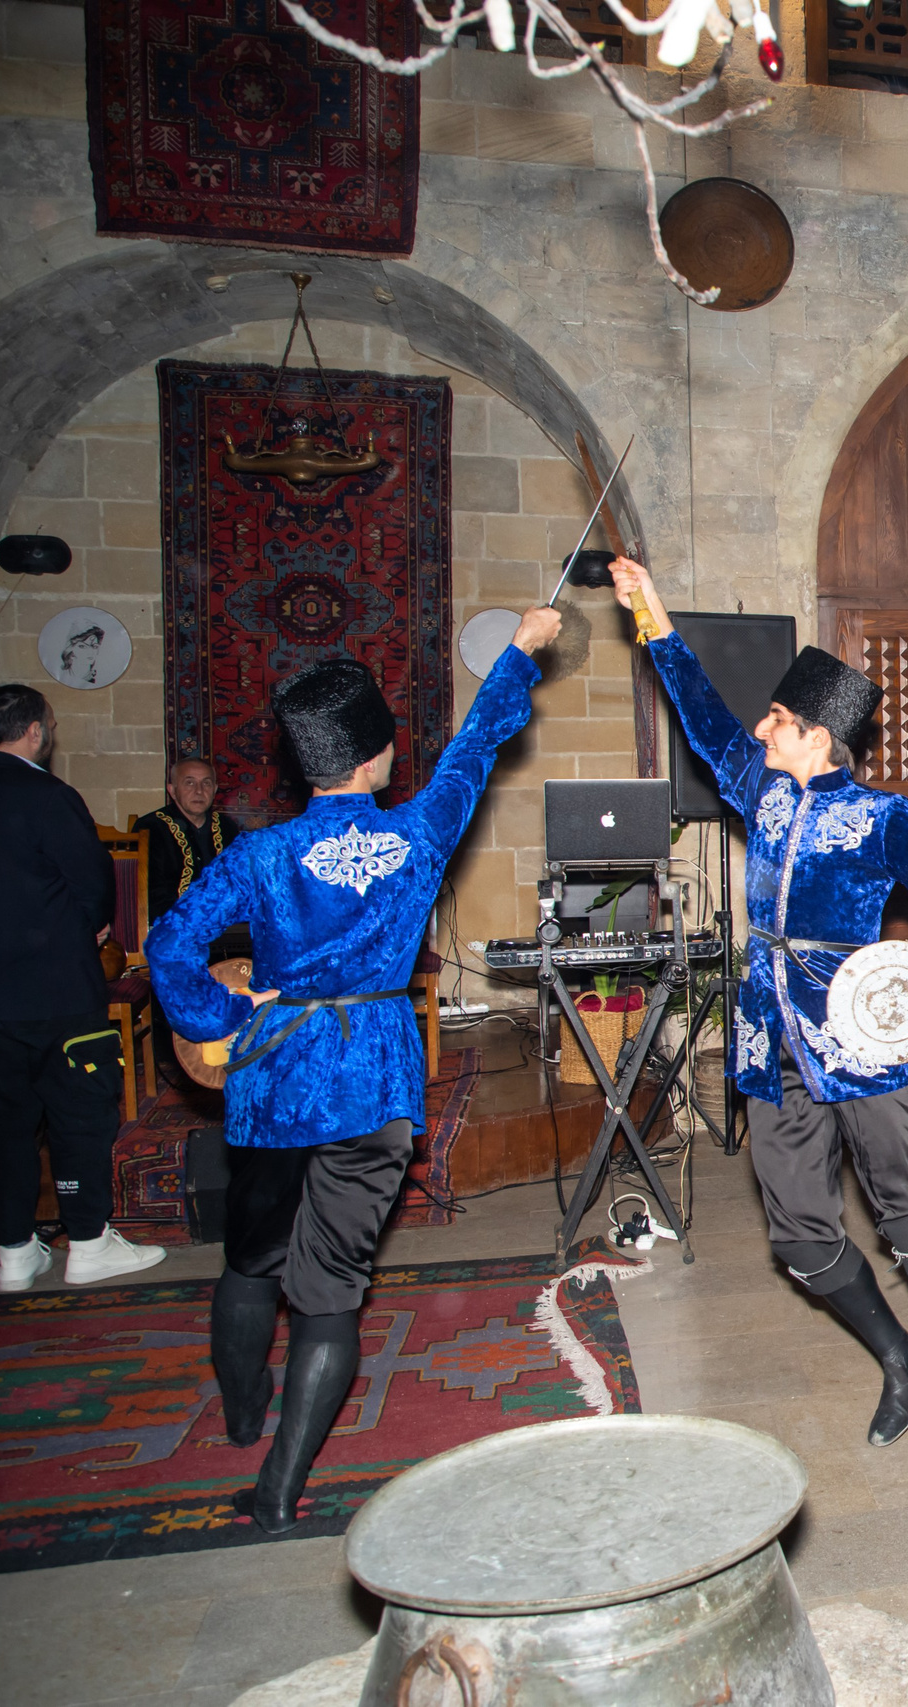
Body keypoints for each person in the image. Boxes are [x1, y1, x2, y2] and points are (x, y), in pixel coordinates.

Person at [150, 606, 563, 1534]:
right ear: (376, 756)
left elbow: (168, 938)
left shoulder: (258, 851)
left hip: (275, 1076)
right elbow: (475, 745)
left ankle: (244, 1419)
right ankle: (282, 1482)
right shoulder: (416, 834)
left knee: (251, 1262)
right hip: (372, 1076)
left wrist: (222, 1012)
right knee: (331, 1287)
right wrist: (522, 649)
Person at [610, 557, 908, 1457]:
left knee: (905, 1211)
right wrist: (653, 614)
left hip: (857, 1039)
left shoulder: (882, 816)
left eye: (777, 722)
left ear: (818, 736)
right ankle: (901, 1358)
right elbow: (705, 718)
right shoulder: (763, 790)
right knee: (799, 1235)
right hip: (767, 1040)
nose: (760, 730)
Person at [0, 684, 169, 1291]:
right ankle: (86, 1243)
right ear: (33, 731)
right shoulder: (46, 794)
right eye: (48, 726)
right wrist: (91, 924)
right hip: (57, 988)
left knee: (6, 1121)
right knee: (79, 1112)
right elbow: (92, 883)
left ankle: (13, 1251)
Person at [139, 756, 242, 925]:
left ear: (215, 789)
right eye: (190, 783)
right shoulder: (151, 827)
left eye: (206, 783)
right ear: (172, 790)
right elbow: (149, 893)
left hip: (223, 928)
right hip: (171, 928)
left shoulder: (226, 827)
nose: (199, 791)